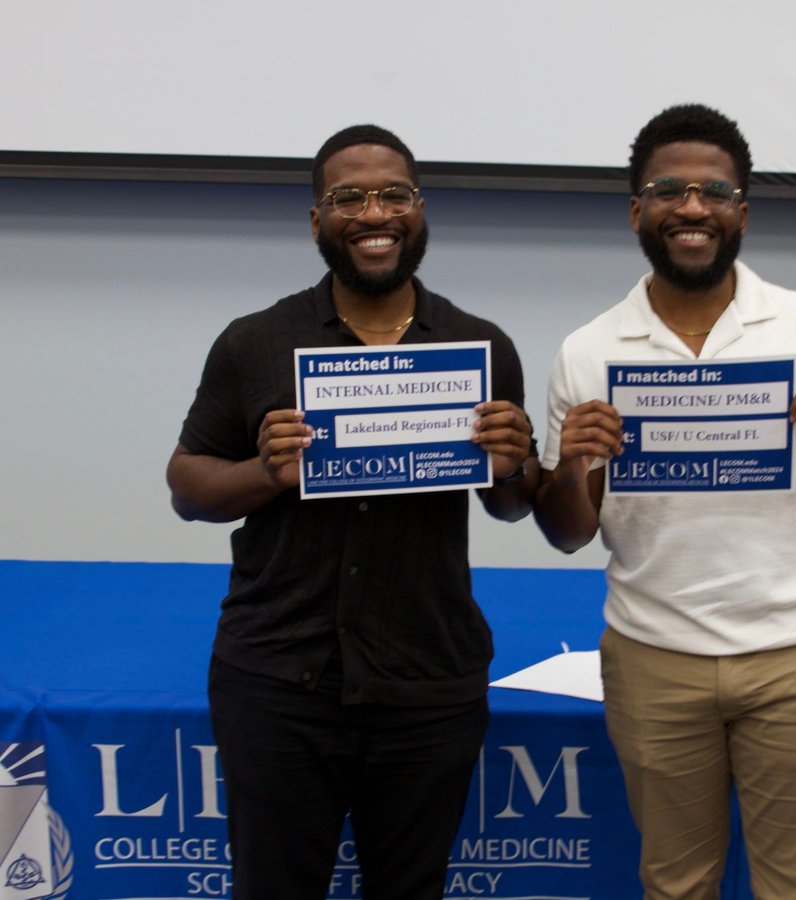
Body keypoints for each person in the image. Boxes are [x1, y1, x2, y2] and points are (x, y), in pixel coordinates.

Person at [535, 104, 796, 900]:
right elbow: (568, 533)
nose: (693, 207)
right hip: (653, 658)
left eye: (716, 191)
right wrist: (572, 465)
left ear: (742, 210)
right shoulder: (589, 349)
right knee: (675, 884)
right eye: (669, 190)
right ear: (638, 210)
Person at [166, 124, 538, 900]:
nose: (375, 213)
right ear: (317, 221)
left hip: (427, 684)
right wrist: (269, 473)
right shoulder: (256, 342)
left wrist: (515, 459)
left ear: (420, 211)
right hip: (277, 679)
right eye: (349, 198)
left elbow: (507, 505)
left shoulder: (480, 346)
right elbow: (187, 488)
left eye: (393, 195)